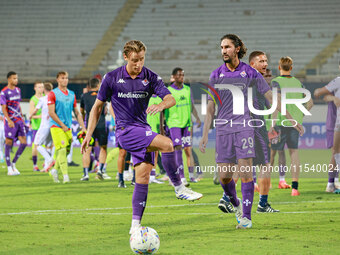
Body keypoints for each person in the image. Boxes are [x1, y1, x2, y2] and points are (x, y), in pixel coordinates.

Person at [81, 40, 202, 235]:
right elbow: (97, 107)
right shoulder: (112, 78)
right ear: (126, 57)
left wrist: (161, 105)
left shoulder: (150, 76)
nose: (139, 64)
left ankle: (135, 225)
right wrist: (88, 134)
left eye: (142, 59)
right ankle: (179, 187)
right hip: (125, 131)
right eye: (135, 60)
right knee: (168, 144)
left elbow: (169, 98)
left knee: (143, 177)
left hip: (142, 128)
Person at [199, 34, 303, 229]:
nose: (223, 51)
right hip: (223, 130)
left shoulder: (250, 73)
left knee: (247, 173)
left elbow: (271, 98)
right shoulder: (215, 74)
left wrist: (291, 118)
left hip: (245, 128)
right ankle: (236, 204)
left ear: (237, 49)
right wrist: (205, 133)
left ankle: (246, 218)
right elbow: (211, 106)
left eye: (227, 47)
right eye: (221, 47)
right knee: (224, 177)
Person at [270, 57, 313, 196]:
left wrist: (273, 123)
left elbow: (277, 103)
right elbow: (310, 103)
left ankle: (267, 183)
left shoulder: (276, 82)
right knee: (294, 153)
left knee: (273, 154)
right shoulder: (299, 83)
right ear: (291, 68)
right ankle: (295, 188)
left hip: (281, 123)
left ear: (279, 67)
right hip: (295, 124)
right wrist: (299, 117)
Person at [164, 67, 201, 185]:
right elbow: (162, 109)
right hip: (174, 123)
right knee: (178, 148)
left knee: (187, 150)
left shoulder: (187, 89)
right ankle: (181, 176)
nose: (181, 77)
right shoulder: (168, 90)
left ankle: (188, 175)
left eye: (182, 75)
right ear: (174, 77)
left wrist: (197, 118)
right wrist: (162, 126)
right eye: (179, 75)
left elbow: (192, 106)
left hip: (186, 124)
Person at [48, 71, 86, 183]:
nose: (65, 80)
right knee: (63, 149)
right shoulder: (53, 94)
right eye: (63, 78)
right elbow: (51, 113)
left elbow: (77, 113)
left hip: (67, 127)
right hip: (56, 126)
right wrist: (62, 125)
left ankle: (54, 170)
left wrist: (83, 126)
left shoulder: (71, 94)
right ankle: (65, 176)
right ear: (58, 80)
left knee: (66, 151)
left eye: (67, 78)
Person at [314, 63, 340, 193]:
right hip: (334, 122)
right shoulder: (337, 81)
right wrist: (333, 98)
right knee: (335, 153)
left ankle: (333, 182)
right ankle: (332, 182)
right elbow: (321, 94)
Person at [80, 77, 110, 181]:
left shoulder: (84, 96)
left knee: (87, 149)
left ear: (89, 86)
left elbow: (82, 111)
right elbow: (105, 110)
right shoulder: (101, 95)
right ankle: (100, 170)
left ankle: (85, 174)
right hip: (101, 124)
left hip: (89, 126)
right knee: (103, 148)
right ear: (98, 85)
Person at [0, 71, 27, 175]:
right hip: (10, 120)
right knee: (8, 142)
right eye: (14, 78)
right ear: (9, 79)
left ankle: (13, 163)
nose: (16, 80)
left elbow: (18, 105)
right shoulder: (4, 92)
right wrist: (9, 120)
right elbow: (4, 108)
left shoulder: (18, 90)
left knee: (24, 142)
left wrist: (22, 116)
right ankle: (9, 168)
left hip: (19, 120)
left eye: (17, 78)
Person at [29, 82, 55, 173]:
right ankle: (47, 167)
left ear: (44, 89)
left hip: (44, 126)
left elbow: (35, 111)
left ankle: (50, 159)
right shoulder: (55, 98)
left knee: (37, 145)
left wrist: (30, 116)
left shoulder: (43, 99)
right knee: (49, 146)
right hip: (53, 125)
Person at [29, 82, 44, 171]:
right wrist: (41, 116)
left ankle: (47, 163)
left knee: (49, 145)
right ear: (35, 88)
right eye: (39, 87)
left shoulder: (46, 98)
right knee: (35, 146)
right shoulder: (33, 100)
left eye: (42, 87)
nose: (41, 89)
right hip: (37, 127)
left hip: (46, 126)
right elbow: (31, 115)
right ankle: (35, 165)